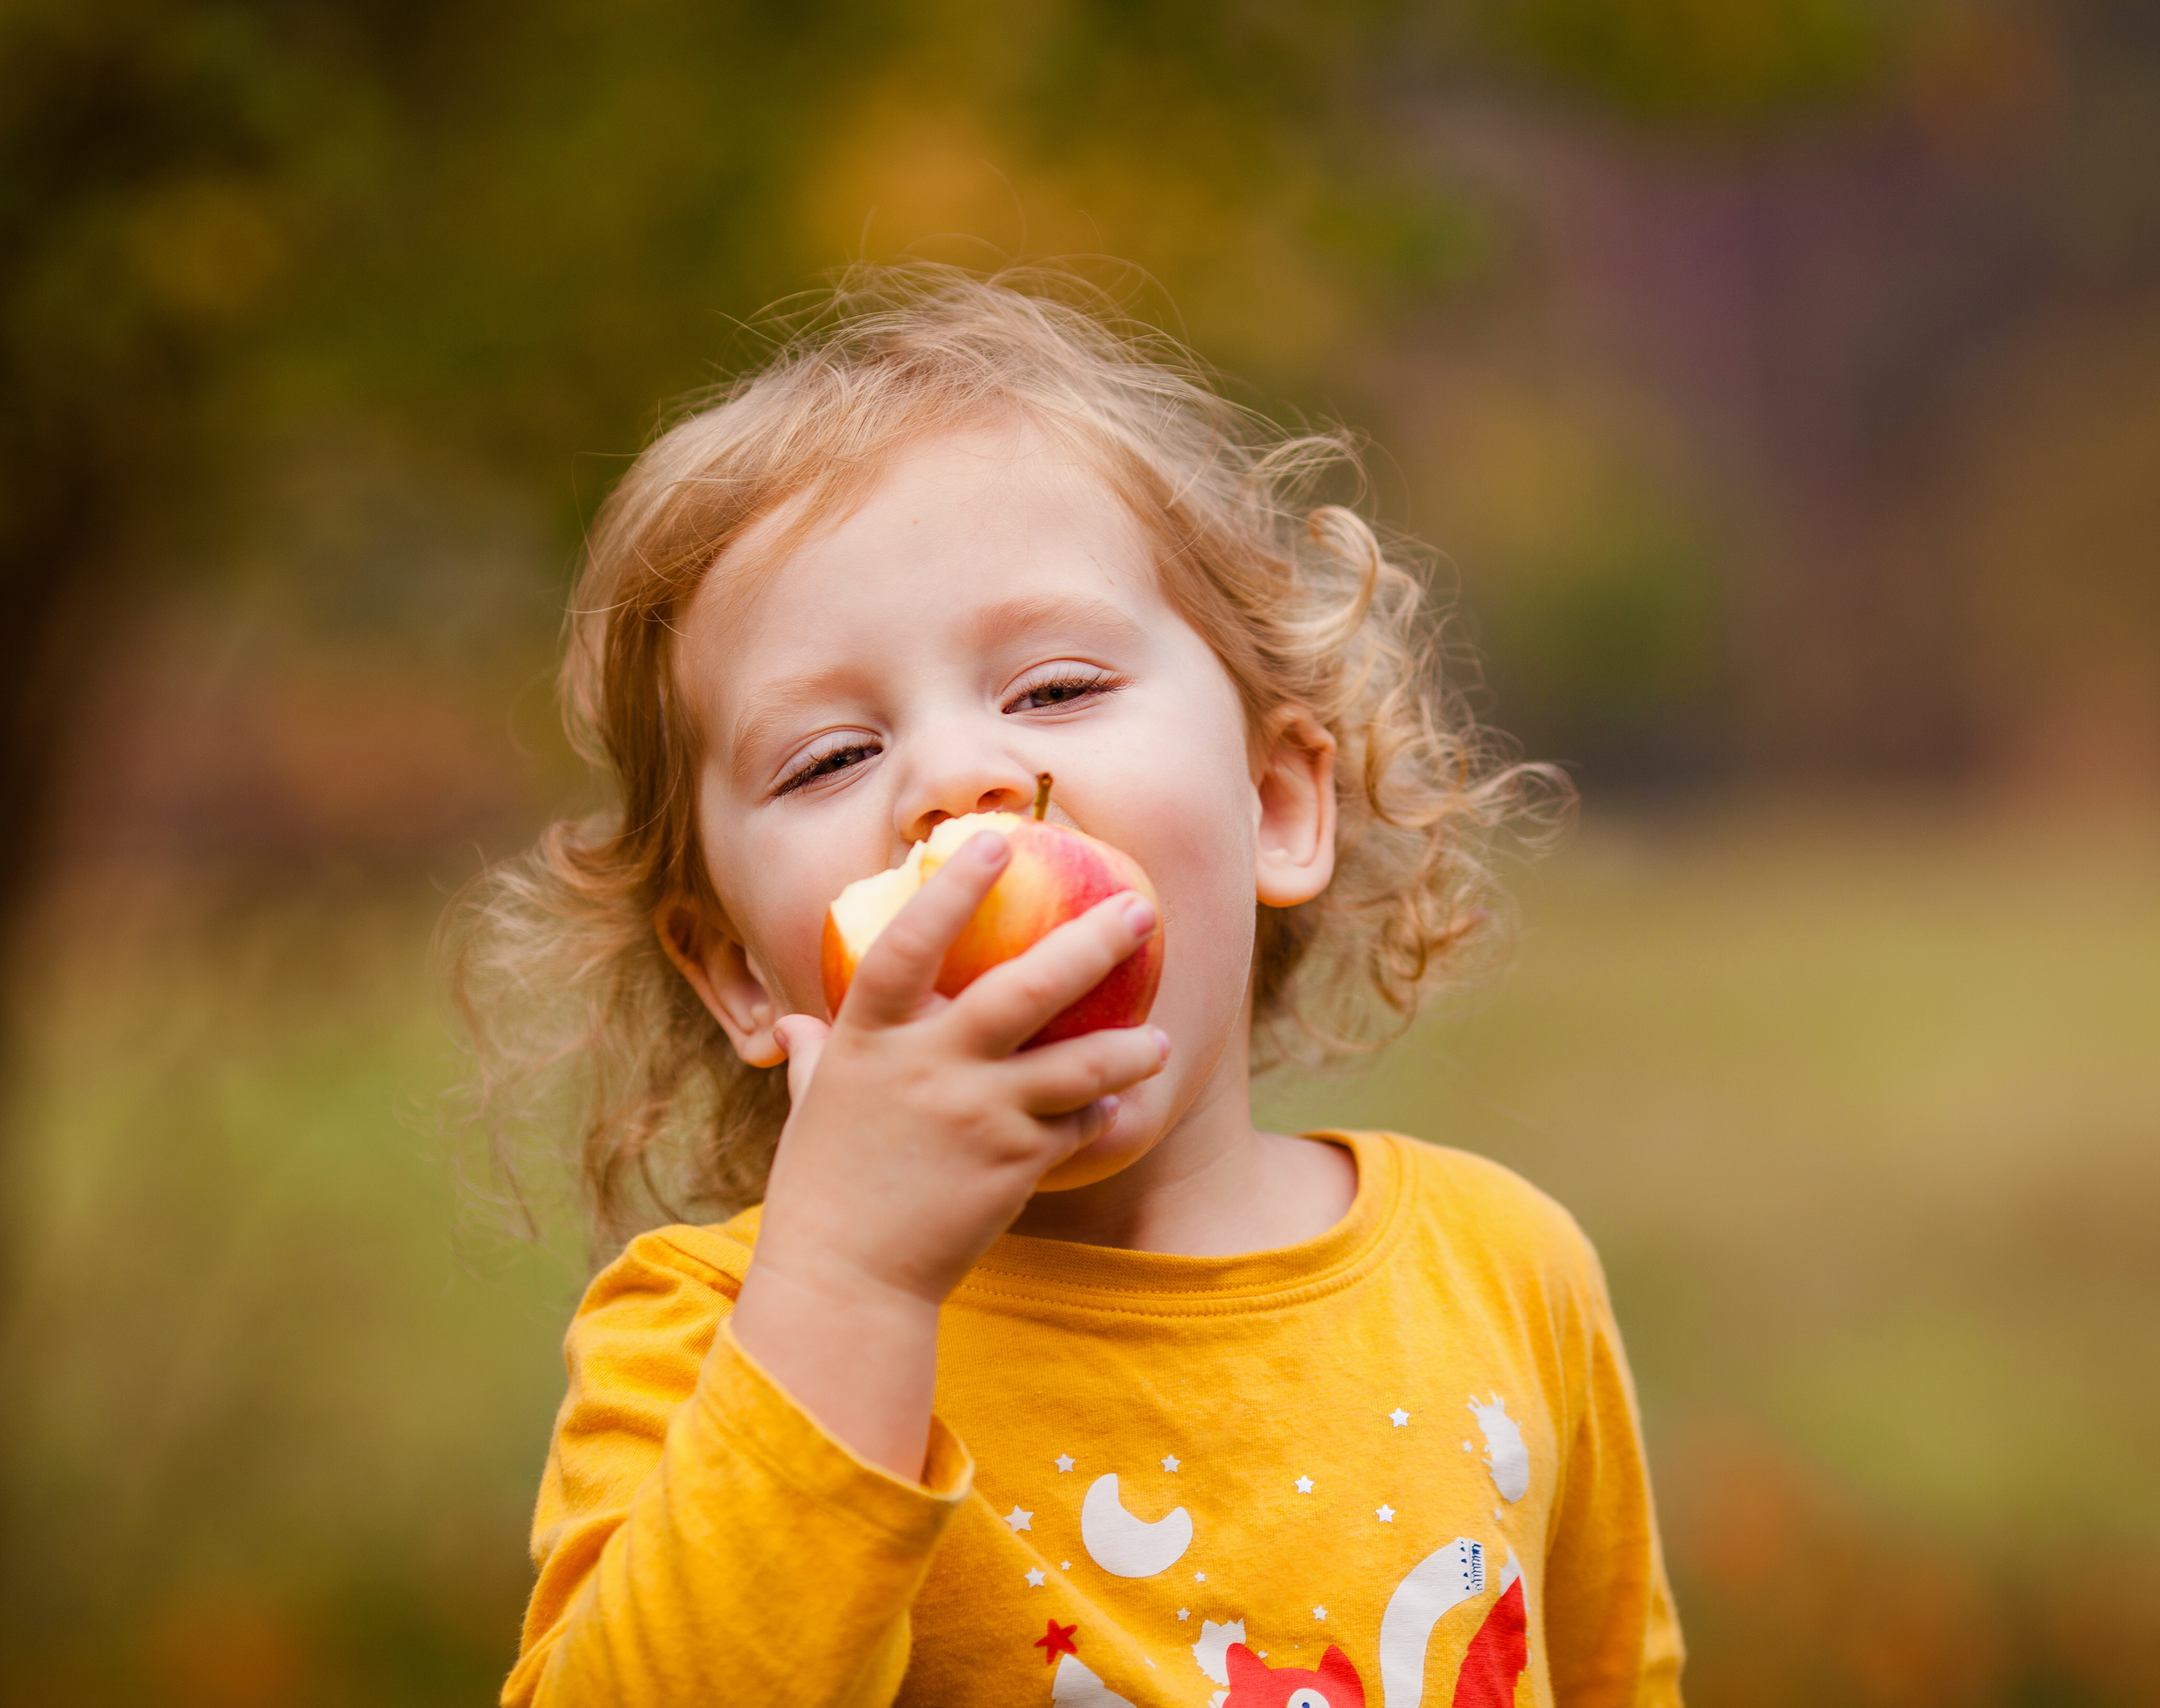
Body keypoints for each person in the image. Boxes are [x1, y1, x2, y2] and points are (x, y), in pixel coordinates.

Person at [459, 268, 1683, 1706]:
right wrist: (848, 1275)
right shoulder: (705, 1336)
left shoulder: (1502, 1271)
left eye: (1050, 691)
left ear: (1278, 798)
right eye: (829, 757)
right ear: (735, 967)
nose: (951, 781)